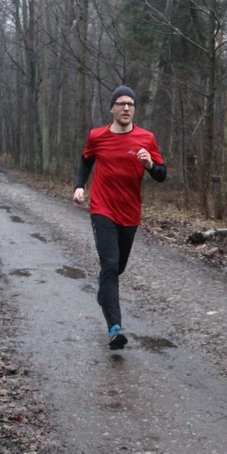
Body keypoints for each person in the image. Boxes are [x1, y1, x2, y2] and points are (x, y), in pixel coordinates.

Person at [73, 86, 166, 349]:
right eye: (121, 103)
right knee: (111, 265)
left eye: (131, 104)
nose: (126, 108)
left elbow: (162, 175)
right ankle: (115, 327)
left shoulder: (146, 138)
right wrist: (80, 186)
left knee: (115, 269)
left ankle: (105, 289)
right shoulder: (97, 136)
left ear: (134, 110)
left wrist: (150, 165)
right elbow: (86, 162)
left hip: (130, 213)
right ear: (112, 108)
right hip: (102, 209)